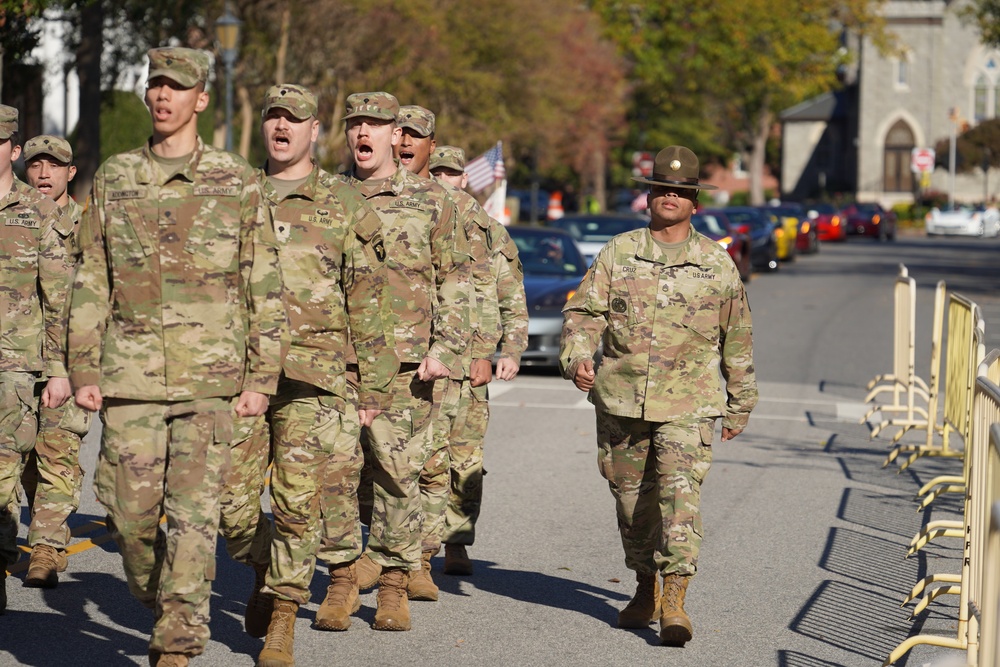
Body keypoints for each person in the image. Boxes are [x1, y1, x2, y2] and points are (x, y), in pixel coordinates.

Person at [67, 48, 287, 667]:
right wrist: (81, 367)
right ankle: (167, 598)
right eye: (155, 84)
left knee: (195, 520)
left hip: (211, 382)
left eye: (177, 87)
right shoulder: (115, 178)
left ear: (201, 99)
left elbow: (263, 283)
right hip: (130, 376)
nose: (163, 96)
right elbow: (91, 278)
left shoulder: (235, 179)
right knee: (128, 518)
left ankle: (178, 642)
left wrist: (261, 377)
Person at [559, 145, 757, 646]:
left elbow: (738, 335)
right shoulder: (619, 253)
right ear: (649, 197)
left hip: (688, 405)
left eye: (680, 191)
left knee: (678, 499)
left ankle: (675, 604)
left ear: (694, 202)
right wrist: (578, 355)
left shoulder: (716, 264)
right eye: (661, 189)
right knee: (632, 505)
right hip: (622, 399)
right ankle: (645, 586)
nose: (670, 196)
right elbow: (584, 313)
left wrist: (740, 401)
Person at [234, 84, 396, 667]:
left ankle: (282, 619)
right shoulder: (234, 195)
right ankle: (261, 566)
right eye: (273, 117)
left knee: (298, 505)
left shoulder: (344, 204)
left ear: (314, 131)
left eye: (293, 118)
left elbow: (369, 299)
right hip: (238, 375)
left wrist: (374, 386)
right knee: (229, 503)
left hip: (314, 378)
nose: (281, 126)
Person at [340, 92, 470, 631]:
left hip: (406, 364)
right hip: (337, 360)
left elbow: (459, 278)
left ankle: (393, 585)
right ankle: (342, 577)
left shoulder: (430, 200)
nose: (364, 132)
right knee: (338, 480)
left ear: (398, 135)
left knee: (397, 479)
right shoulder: (329, 194)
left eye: (376, 123)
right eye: (356, 123)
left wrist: (446, 348)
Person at [427, 144, 528, 575]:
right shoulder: (421, 221)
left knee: (464, 460)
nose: (446, 182)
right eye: (438, 175)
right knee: (423, 458)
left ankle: (456, 541)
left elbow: (512, 296)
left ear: (465, 178)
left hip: (474, 368)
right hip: (429, 363)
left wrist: (511, 349)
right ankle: (416, 548)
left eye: (453, 175)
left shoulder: (490, 233)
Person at [0, 106, 70, 615]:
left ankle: (34, 546)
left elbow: (61, 298)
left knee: (25, 466)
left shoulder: (39, 214)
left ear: (12, 149)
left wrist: (62, 368)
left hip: (19, 368)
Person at [19, 135, 92, 589]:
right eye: (35, 165)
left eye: (54, 165)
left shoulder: (89, 226)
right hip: (17, 359)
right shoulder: (13, 218)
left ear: (71, 172)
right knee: (22, 457)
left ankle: (46, 547)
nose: (44, 173)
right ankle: (44, 529)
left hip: (71, 357)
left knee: (58, 448)